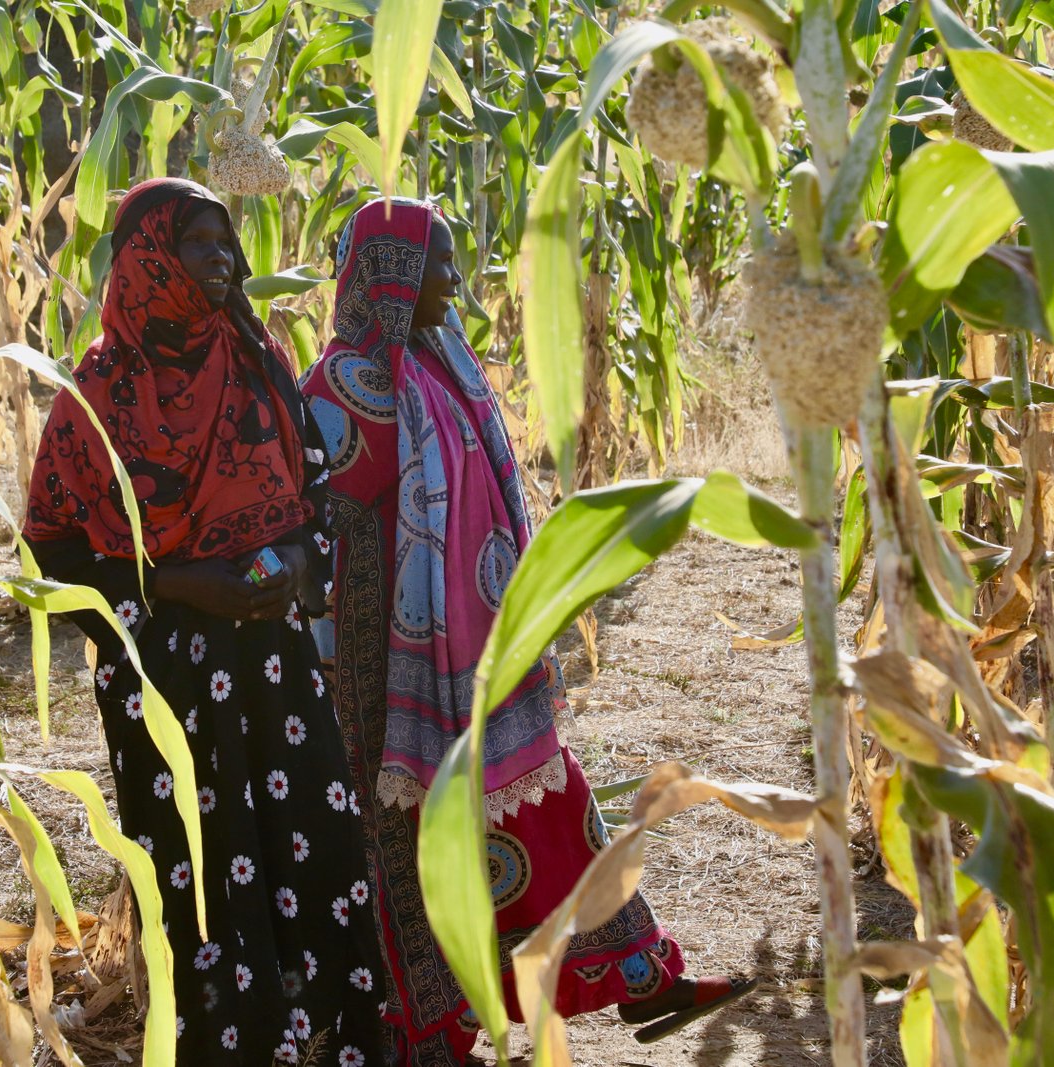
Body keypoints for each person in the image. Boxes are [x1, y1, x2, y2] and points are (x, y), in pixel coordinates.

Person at [301, 198, 753, 1065]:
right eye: (437, 264)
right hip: (386, 665)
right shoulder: (338, 390)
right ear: (393, 278)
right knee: (410, 839)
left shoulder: (442, 366)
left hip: (478, 652)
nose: (454, 282)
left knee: (546, 803)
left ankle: (640, 971)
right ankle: (428, 1031)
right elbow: (321, 524)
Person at [23, 178, 384, 1067]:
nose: (222, 260)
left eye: (227, 243)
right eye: (198, 243)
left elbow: (311, 488)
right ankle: (232, 1043)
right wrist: (182, 586)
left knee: (315, 837)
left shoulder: (255, 357)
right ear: (148, 256)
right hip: (166, 673)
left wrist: (298, 565)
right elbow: (52, 550)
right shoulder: (96, 395)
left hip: (274, 657)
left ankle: (332, 1034)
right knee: (203, 864)